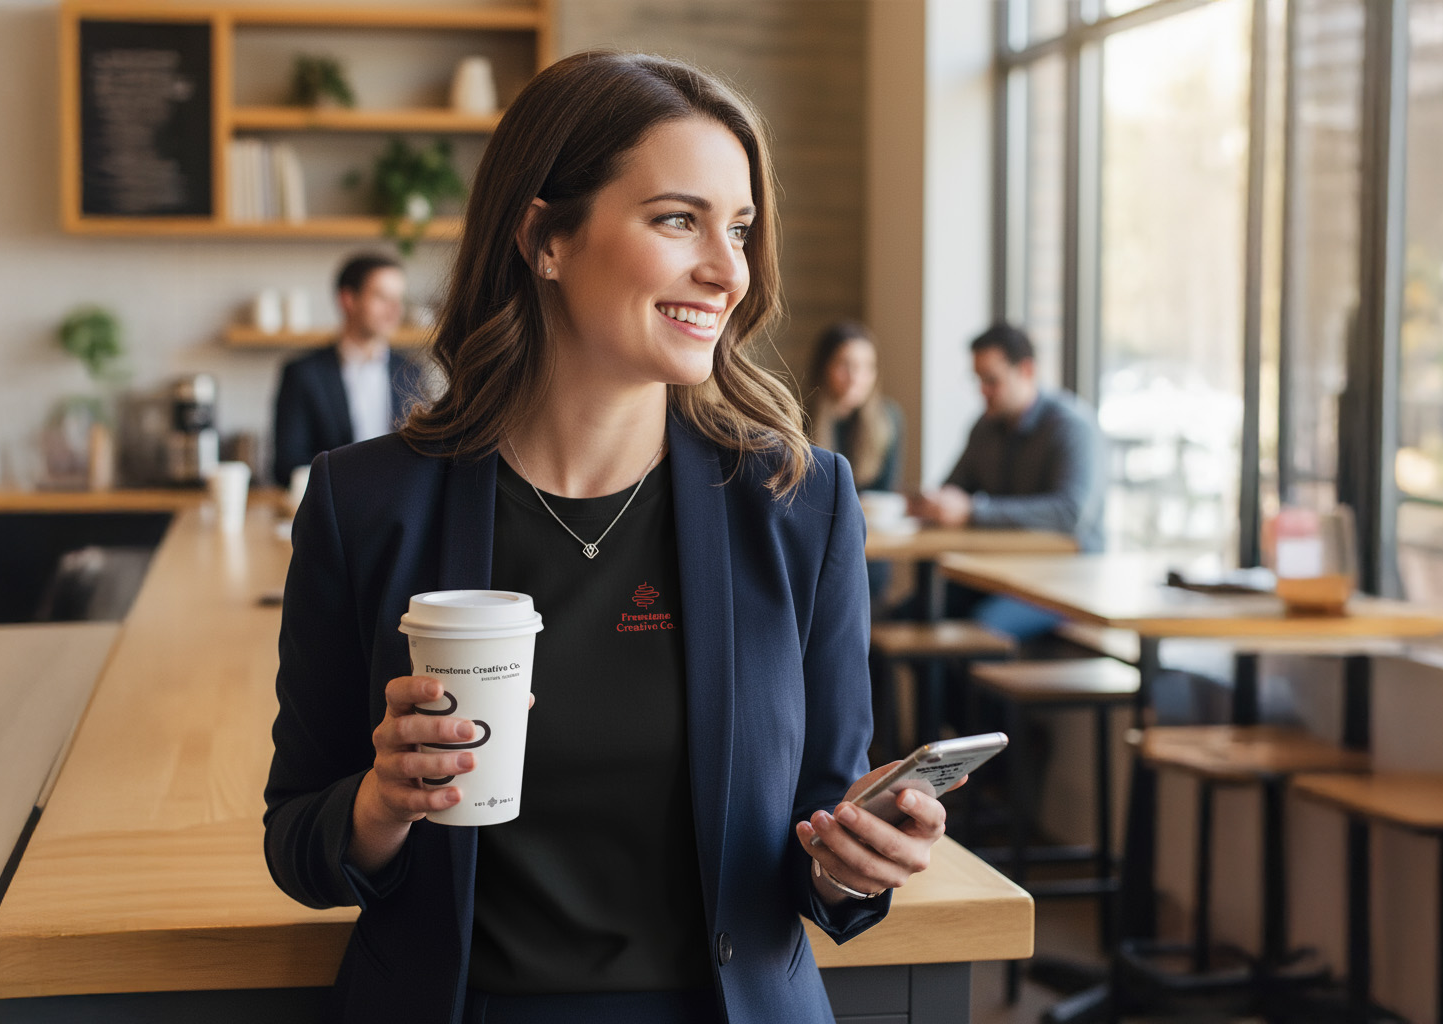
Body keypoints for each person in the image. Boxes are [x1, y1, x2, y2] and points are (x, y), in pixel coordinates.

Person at [264, 52, 953, 1024]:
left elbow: (822, 841)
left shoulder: (799, 504)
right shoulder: (363, 502)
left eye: (740, 228)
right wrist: (381, 800)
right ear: (544, 236)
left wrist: (855, 864)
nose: (726, 268)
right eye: (679, 219)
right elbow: (297, 840)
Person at [911, 321, 1106, 639]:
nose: (982, 391)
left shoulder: (1071, 428)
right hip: (1002, 575)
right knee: (911, 614)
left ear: (1026, 371)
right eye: (977, 380)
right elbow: (955, 487)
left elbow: (1070, 513)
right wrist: (931, 503)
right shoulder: (986, 428)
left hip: (1066, 582)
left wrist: (973, 512)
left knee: (976, 630)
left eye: (991, 380)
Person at [271, 252, 428, 487]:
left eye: (398, 299)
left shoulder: (411, 372)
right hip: (334, 509)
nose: (395, 310)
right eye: (382, 297)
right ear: (348, 300)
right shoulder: (303, 373)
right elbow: (286, 464)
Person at [804, 321, 903, 602]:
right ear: (824, 367)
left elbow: (883, 495)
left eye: (866, 367)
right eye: (845, 365)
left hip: (869, 548)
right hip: (815, 549)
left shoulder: (888, 420)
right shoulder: (798, 417)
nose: (856, 377)